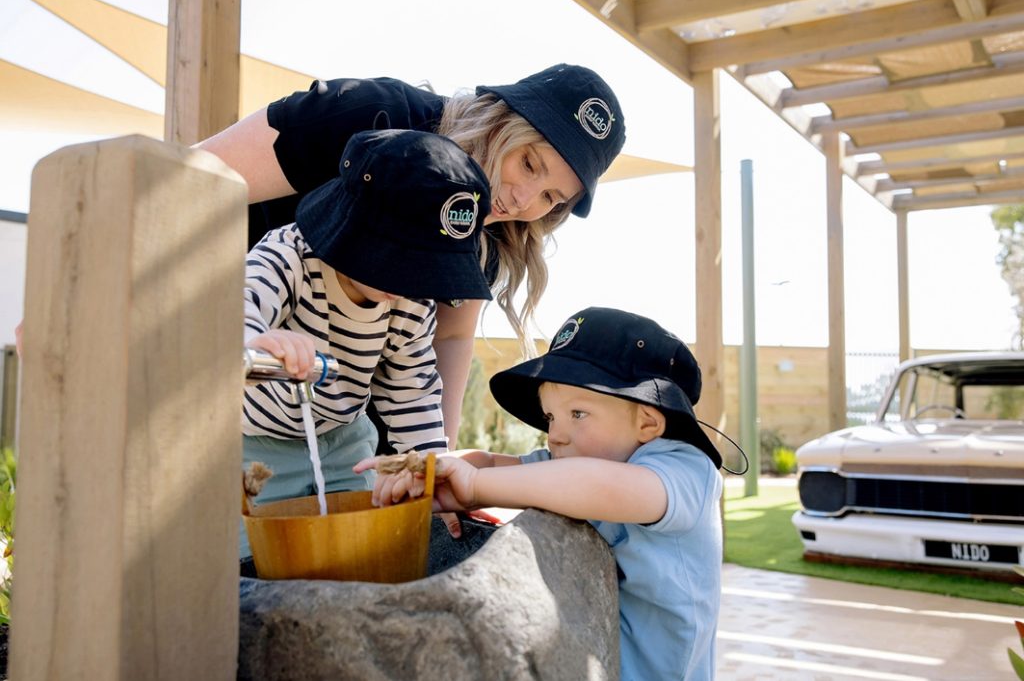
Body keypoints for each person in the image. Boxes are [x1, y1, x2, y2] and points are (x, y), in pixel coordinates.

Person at [198, 63, 626, 456]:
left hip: (332, 418)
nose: (522, 200)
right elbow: (191, 178)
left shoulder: (488, 227)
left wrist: (437, 468)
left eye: (551, 197)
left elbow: (448, 341)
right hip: (217, 345)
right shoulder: (368, 114)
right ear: (500, 121)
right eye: (529, 163)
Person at [356, 307, 724, 680]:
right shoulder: (581, 457)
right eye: (551, 418)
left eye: (577, 414)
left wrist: (475, 488)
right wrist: (430, 470)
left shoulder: (684, 471)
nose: (556, 435)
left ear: (647, 421)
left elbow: (594, 485)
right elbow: (494, 463)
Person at [241, 128, 492, 557]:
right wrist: (258, 338)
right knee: (257, 560)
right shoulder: (289, 256)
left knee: (354, 552)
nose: (411, 282)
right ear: (354, 228)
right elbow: (237, 303)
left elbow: (411, 390)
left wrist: (430, 474)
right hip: (257, 449)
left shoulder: (410, 297)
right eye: (402, 261)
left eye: (426, 268)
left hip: (343, 444)